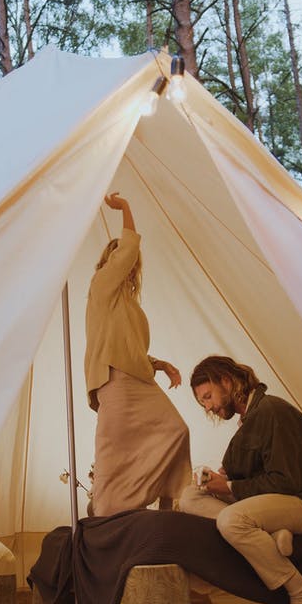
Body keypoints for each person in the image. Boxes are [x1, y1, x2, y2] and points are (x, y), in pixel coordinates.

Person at [179, 355, 302, 604]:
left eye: (208, 396)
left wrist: (226, 487)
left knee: (231, 521)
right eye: (202, 402)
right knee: (190, 497)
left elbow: (286, 482)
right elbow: (240, 475)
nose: (209, 407)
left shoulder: (273, 411)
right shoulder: (247, 422)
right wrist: (217, 479)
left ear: (226, 381)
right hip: (275, 503)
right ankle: (270, 533)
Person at [84, 192, 191, 516]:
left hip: (137, 379)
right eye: (123, 260)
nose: (129, 266)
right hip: (114, 380)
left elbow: (127, 345)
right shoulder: (101, 285)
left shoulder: (127, 303)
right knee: (114, 455)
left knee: (176, 430)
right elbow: (128, 249)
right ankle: (103, 513)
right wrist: (126, 208)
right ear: (111, 261)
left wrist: (159, 364)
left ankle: (169, 506)